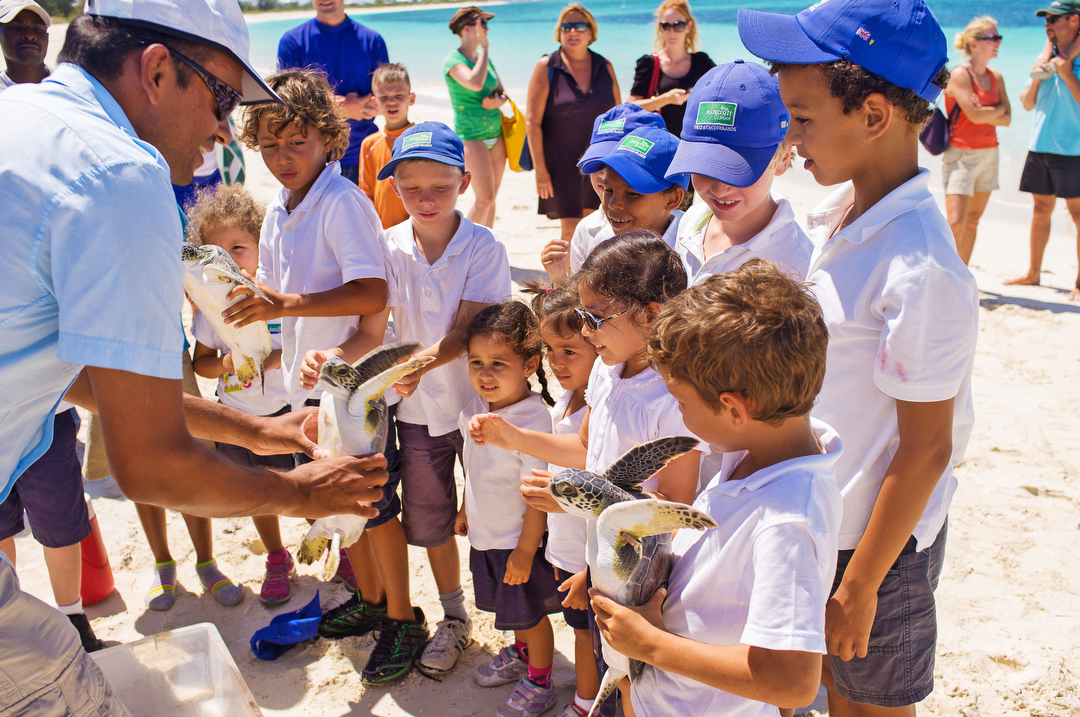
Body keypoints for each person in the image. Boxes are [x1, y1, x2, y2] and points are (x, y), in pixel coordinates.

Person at [0, 0, 390, 712]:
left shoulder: (22, 117)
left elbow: (76, 366)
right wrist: (304, 493)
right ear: (155, 70)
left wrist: (255, 432)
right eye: (221, 97)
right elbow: (148, 463)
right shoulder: (121, 173)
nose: (223, 129)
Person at [739, 1, 979, 714]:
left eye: (803, 118)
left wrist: (860, 584)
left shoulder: (920, 264)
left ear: (875, 115)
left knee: (869, 702)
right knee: (821, 689)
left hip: (877, 545)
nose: (791, 135)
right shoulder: (837, 215)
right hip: (820, 516)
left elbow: (928, 447)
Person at [592, 259, 841, 716]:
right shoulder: (757, 454)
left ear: (734, 409)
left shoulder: (786, 520)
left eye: (681, 401)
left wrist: (651, 645)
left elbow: (793, 682)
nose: (679, 412)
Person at [471, 234, 705, 716]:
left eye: (598, 317)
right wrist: (514, 439)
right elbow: (583, 449)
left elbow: (670, 516)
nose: (589, 329)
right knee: (611, 667)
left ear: (651, 314)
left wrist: (593, 563)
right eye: (584, 315)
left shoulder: (673, 399)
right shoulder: (606, 369)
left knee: (641, 682)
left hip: (641, 583)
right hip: (600, 565)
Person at [311, 121, 512, 681]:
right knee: (432, 523)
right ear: (392, 186)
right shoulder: (386, 244)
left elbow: (469, 332)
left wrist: (413, 365)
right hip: (417, 417)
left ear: (465, 183)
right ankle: (454, 616)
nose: (426, 199)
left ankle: (518, 625)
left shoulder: (484, 247)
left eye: (440, 187)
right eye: (411, 186)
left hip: (480, 409)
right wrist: (336, 357)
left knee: (497, 515)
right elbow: (373, 328)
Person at [233, 67, 391, 608]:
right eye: (270, 144)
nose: (283, 156)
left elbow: (373, 294)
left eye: (298, 143)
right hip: (307, 387)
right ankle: (367, 601)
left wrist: (283, 304)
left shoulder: (342, 202)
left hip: (353, 391)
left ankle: (395, 612)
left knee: (370, 511)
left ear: (329, 137)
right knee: (335, 504)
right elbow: (278, 290)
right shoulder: (279, 207)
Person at [190, 184, 297, 606]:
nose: (229, 261)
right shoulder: (209, 311)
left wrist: (273, 360)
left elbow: (303, 345)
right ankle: (276, 555)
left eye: (239, 248)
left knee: (302, 483)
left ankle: (335, 548)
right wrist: (226, 365)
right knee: (258, 493)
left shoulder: (276, 297)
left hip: (287, 413)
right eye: (217, 253)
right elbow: (201, 364)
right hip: (236, 417)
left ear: (261, 248)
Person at [456, 302, 562, 717]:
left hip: (518, 541)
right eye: (476, 361)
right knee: (511, 608)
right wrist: (466, 507)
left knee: (531, 613)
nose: (485, 373)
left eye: (499, 363)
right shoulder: (475, 409)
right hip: (487, 533)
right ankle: (521, 654)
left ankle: (541, 680)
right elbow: (473, 467)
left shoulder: (534, 422)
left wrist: (523, 550)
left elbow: (537, 495)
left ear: (530, 363)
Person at [522, 279, 600, 717]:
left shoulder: (599, 411)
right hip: (568, 550)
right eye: (550, 350)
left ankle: (585, 704)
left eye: (569, 351)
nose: (555, 362)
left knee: (589, 638)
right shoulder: (567, 399)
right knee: (581, 633)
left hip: (592, 557)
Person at [666, 61, 811, 286]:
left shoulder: (797, 265)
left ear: (782, 159)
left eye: (739, 170)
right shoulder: (692, 222)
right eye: (705, 166)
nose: (720, 188)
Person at [526, 3, 620, 246]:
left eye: (580, 26)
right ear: (559, 32)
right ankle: (567, 283)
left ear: (591, 32)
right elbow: (533, 122)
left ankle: (594, 282)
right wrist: (540, 171)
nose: (573, 32)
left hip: (600, 161)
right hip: (560, 165)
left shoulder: (605, 65)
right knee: (570, 230)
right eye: (566, 27)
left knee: (599, 224)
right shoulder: (547, 66)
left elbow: (618, 118)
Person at [540, 103, 666, 282]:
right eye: (597, 164)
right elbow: (579, 300)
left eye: (620, 166)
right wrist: (559, 279)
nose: (604, 175)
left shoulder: (686, 232)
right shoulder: (587, 230)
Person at [1006, 1, 1080, 298]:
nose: (1047, 24)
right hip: (1040, 145)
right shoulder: (1046, 58)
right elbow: (1026, 102)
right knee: (1040, 211)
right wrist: (1040, 73)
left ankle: (1079, 283)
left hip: (1074, 150)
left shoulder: (1069, 62)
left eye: (1054, 19)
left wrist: (1066, 72)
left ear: (1074, 20)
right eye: (1045, 19)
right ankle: (1033, 273)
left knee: (1077, 216)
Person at [277, 0, 388, 185]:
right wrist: (341, 107)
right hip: (312, 161)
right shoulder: (292, 41)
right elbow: (287, 103)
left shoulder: (372, 41)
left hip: (366, 155)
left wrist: (317, 105)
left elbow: (385, 99)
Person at [943, 17, 1011, 266]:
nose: (998, 42)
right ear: (973, 44)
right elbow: (974, 115)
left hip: (990, 153)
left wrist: (987, 112)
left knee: (972, 221)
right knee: (955, 222)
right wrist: (994, 112)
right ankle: (944, 275)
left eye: (998, 37)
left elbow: (1009, 118)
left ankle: (962, 275)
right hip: (961, 155)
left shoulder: (997, 77)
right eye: (992, 38)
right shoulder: (960, 75)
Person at [575, 125, 688, 259]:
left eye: (631, 194)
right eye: (609, 190)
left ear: (672, 199)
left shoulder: (691, 252)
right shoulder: (601, 243)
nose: (613, 204)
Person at [445, 6, 508, 228]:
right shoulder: (453, 61)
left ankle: (486, 251)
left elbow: (502, 92)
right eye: (483, 24)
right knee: (485, 199)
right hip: (471, 135)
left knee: (492, 198)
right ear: (467, 28)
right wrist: (486, 48)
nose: (487, 29)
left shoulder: (484, 58)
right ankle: (458, 248)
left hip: (496, 133)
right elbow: (475, 82)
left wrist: (496, 101)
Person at [627, 0, 714, 136]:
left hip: (694, 143)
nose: (671, 31)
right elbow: (630, 108)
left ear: (688, 26)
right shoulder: (648, 64)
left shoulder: (702, 62)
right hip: (658, 144)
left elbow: (722, 92)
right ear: (660, 28)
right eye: (665, 26)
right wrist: (666, 99)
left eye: (678, 25)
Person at [360, 62, 415, 229]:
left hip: (417, 231)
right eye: (384, 97)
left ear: (411, 99)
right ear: (375, 102)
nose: (391, 102)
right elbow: (366, 193)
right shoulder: (369, 144)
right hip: (383, 233)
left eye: (399, 95)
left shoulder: (420, 138)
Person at [0, 0, 49, 90]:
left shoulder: (70, 85)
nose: (30, 36)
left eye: (38, 29)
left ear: (47, 38)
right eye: (16, 27)